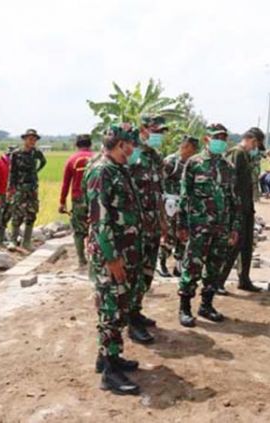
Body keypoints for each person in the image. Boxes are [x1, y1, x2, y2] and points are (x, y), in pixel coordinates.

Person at [86, 124, 142, 396]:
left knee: (120, 304)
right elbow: (100, 220)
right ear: (120, 144)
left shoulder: (119, 170)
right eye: (130, 144)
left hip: (125, 250)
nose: (133, 149)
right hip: (112, 255)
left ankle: (108, 358)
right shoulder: (101, 171)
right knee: (111, 309)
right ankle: (110, 372)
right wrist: (111, 258)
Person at [176, 124, 241, 327]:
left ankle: (206, 305)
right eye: (216, 137)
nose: (220, 141)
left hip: (221, 228)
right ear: (207, 139)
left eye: (223, 138)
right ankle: (185, 308)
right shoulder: (194, 164)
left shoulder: (228, 168)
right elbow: (185, 196)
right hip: (198, 227)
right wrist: (182, 224)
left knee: (214, 268)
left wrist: (234, 228)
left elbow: (233, 200)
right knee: (192, 267)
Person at [125, 114, 170, 344]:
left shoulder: (155, 157)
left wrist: (163, 220)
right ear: (143, 130)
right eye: (155, 130)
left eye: (161, 132)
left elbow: (158, 192)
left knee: (146, 274)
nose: (159, 135)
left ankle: (136, 311)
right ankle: (131, 321)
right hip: (135, 228)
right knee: (133, 275)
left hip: (152, 226)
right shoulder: (132, 155)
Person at [215, 127, 265, 294]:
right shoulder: (237, 154)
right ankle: (219, 281)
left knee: (246, 245)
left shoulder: (243, 155)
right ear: (252, 140)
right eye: (256, 145)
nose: (255, 149)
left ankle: (244, 279)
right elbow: (232, 183)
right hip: (238, 207)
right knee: (234, 244)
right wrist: (235, 208)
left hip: (246, 207)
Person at [158, 135, 199, 278]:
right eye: (192, 149)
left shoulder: (193, 162)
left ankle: (179, 266)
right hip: (171, 201)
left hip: (185, 203)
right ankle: (161, 263)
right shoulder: (171, 161)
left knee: (183, 234)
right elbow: (159, 180)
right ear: (186, 147)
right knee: (170, 234)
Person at [8, 129, 46, 251]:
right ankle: (13, 241)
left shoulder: (36, 153)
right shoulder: (16, 154)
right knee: (17, 213)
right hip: (20, 187)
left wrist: (36, 171)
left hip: (32, 187)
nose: (32, 141)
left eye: (34, 139)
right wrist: (10, 188)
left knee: (31, 213)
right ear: (24, 139)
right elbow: (12, 172)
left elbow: (43, 162)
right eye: (30, 139)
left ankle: (27, 242)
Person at [59, 134, 94, 267]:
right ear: (90, 144)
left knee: (79, 231)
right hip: (94, 196)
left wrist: (62, 202)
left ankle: (81, 259)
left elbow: (65, 184)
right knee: (96, 227)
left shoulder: (71, 160)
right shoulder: (97, 158)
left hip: (78, 198)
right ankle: (95, 257)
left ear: (76, 145)